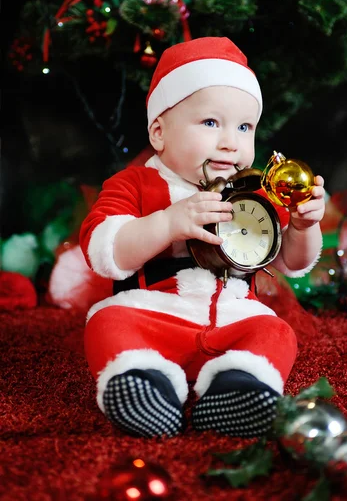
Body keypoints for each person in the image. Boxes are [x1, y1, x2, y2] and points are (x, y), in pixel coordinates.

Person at [80, 36, 325, 439]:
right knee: (107, 321)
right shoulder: (135, 182)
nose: (230, 141)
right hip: (153, 314)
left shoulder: (255, 192)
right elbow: (103, 251)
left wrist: (302, 226)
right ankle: (145, 381)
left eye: (245, 127)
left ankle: (237, 386)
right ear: (159, 133)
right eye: (211, 123)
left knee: (275, 331)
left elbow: (292, 264)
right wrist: (168, 223)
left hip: (233, 316)